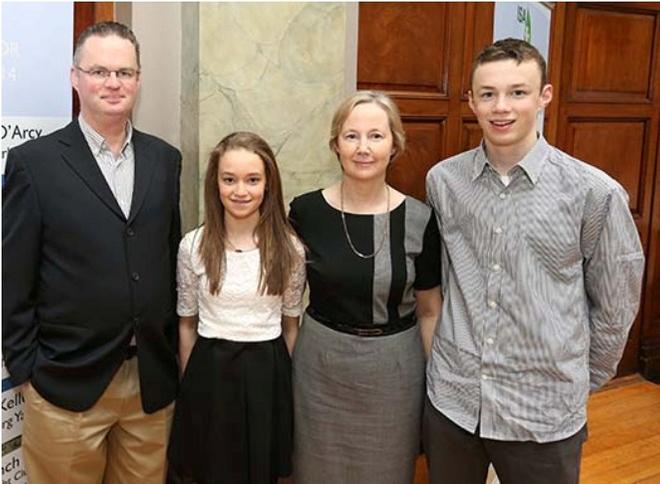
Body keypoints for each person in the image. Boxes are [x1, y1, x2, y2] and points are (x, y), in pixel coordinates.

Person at [423, 38, 645, 484]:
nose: (501, 107)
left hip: (543, 414)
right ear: (471, 100)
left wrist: (572, 384)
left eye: (517, 92)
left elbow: (616, 307)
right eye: (487, 94)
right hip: (455, 403)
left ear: (544, 95)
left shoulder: (593, 193)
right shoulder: (443, 182)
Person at [2, 22, 181, 483]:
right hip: (65, 384)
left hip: (149, 383)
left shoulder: (165, 160)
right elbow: (12, 276)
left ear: (139, 79)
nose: (113, 83)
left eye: (124, 72)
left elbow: (165, 255)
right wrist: (27, 371)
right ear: (74, 78)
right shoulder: (33, 164)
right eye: (99, 71)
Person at [289, 90, 443, 484]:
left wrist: (435, 383)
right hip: (320, 369)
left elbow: (429, 310)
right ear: (335, 144)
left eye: (376, 136)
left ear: (394, 144)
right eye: (351, 136)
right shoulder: (305, 213)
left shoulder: (420, 219)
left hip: (394, 373)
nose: (363, 148)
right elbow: (285, 300)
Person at [167, 131, 306, 484]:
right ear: (215, 184)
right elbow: (186, 323)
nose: (240, 191)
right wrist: (190, 385)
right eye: (229, 179)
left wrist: (286, 391)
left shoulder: (289, 249)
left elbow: (291, 326)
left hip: (266, 373)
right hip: (209, 373)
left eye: (252, 180)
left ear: (268, 184)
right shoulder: (193, 245)